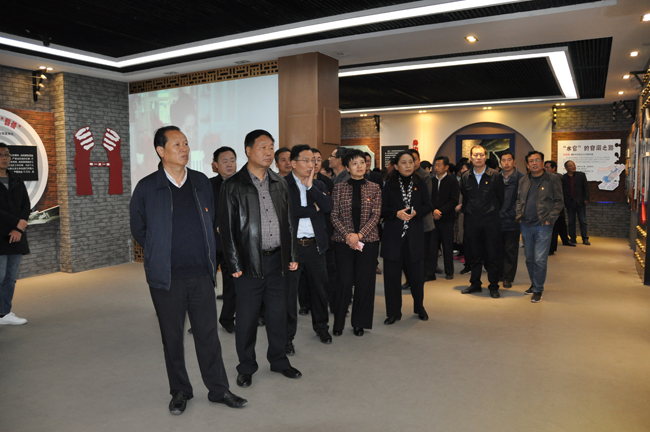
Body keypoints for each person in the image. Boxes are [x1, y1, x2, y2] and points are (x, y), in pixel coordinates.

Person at [130, 126, 246, 415]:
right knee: (172, 338)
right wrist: (159, 252)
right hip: (166, 278)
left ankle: (218, 389)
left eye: (185, 143)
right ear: (160, 151)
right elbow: (139, 229)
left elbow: (213, 219)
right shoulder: (147, 187)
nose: (184, 149)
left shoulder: (200, 182)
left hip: (201, 274)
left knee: (209, 335)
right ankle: (180, 391)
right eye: (177, 144)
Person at [219, 129, 301, 388]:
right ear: (248, 151)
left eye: (271, 147)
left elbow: (289, 222)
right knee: (246, 319)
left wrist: (292, 254)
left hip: (277, 261)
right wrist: (233, 263)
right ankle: (246, 367)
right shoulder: (233, 185)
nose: (268, 152)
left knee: (278, 315)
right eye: (263, 147)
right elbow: (227, 229)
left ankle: (278, 360)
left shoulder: (279, 182)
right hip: (248, 264)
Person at [285, 145, 333, 352]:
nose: (311, 164)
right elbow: (289, 212)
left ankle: (322, 327)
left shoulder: (319, 184)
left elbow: (328, 206)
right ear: (293, 163)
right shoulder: (283, 185)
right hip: (293, 248)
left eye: (313, 160)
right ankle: (287, 338)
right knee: (289, 295)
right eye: (306, 160)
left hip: (315, 247)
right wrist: (313, 209)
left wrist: (311, 187)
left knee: (319, 290)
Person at [330, 149, 381, 337]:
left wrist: (359, 236)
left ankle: (360, 323)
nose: (359, 166)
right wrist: (348, 236)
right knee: (344, 282)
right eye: (354, 163)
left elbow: (375, 215)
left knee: (364, 283)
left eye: (362, 162)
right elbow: (334, 216)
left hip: (368, 242)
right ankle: (339, 322)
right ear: (347, 167)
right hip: (343, 242)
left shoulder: (374, 188)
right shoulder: (338, 188)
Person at [382, 151, 433, 325]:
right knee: (392, 279)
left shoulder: (420, 183)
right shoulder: (389, 185)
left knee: (417, 278)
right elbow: (381, 209)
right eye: (403, 162)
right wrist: (395, 214)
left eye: (410, 162)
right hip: (393, 238)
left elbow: (428, 205)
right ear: (396, 166)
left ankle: (419, 307)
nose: (408, 165)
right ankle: (393, 312)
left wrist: (417, 212)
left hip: (414, 238)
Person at [516, 151, 564, 303]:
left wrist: (550, 219)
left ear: (543, 163)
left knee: (540, 259)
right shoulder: (523, 180)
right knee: (530, 259)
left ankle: (538, 289)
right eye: (531, 161)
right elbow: (519, 200)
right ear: (527, 164)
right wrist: (519, 215)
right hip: (526, 225)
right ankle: (534, 284)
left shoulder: (552, 179)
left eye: (537, 160)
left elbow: (559, 201)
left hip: (543, 225)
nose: (534, 163)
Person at [459, 145, 504, 298]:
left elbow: (500, 199)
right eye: (475, 155)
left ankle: (493, 286)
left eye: (481, 155)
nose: (478, 157)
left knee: (492, 255)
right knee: (474, 255)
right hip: (472, 222)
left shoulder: (495, 175)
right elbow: (466, 198)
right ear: (471, 157)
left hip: (491, 222)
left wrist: (491, 212)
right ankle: (475, 284)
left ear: (485, 157)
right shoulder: (465, 176)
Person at [0, 143, 30, 326]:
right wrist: (16, 223)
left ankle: (5, 313)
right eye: (1, 155)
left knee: (10, 278)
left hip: (16, 235)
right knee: (0, 276)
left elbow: (26, 205)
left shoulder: (17, 179)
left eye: (7, 154)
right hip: (1, 235)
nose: (4, 158)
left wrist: (19, 227)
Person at [211, 146, 238, 333]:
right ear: (215, 164)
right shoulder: (208, 184)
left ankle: (227, 319)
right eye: (224, 161)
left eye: (232, 160)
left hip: (233, 245)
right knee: (206, 285)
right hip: (212, 242)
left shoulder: (243, 184)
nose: (229, 164)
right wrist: (217, 225)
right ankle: (202, 321)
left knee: (232, 284)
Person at [430, 156, 460, 281]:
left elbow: (454, 200)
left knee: (447, 246)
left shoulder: (452, 181)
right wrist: (433, 210)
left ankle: (449, 271)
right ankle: (431, 271)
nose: (436, 167)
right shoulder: (431, 181)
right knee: (432, 246)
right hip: (433, 218)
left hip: (447, 218)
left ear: (446, 167)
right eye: (435, 165)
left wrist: (440, 211)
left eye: (439, 165)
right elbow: (427, 199)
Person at [409, 149, 437, 280]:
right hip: (408, 219)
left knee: (425, 250)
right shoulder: (404, 175)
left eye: (414, 159)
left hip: (423, 218)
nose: (412, 163)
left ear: (419, 160)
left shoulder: (424, 175)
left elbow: (426, 199)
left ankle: (427, 274)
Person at [499, 151, 524, 288]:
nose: (506, 163)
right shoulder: (496, 177)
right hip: (497, 220)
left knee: (510, 250)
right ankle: (499, 274)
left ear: (514, 161)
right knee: (497, 249)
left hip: (512, 220)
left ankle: (508, 277)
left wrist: (514, 214)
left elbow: (522, 199)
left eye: (509, 160)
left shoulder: (521, 178)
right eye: (503, 160)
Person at [545, 160, 575, 254]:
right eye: (545, 167)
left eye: (547, 167)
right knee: (560, 224)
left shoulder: (558, 178)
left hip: (557, 205)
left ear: (554, 168)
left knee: (555, 226)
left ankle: (552, 248)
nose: (545, 169)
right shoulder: (546, 177)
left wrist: (562, 203)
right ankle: (564, 241)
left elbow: (565, 192)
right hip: (551, 205)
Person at [562, 160, 590, 245]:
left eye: (574, 165)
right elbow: (563, 191)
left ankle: (585, 238)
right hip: (569, 202)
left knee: (583, 221)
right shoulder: (563, 178)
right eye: (570, 166)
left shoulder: (581, 175)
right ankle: (573, 238)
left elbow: (586, 188)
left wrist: (586, 198)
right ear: (566, 168)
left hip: (580, 202)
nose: (573, 167)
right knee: (571, 222)